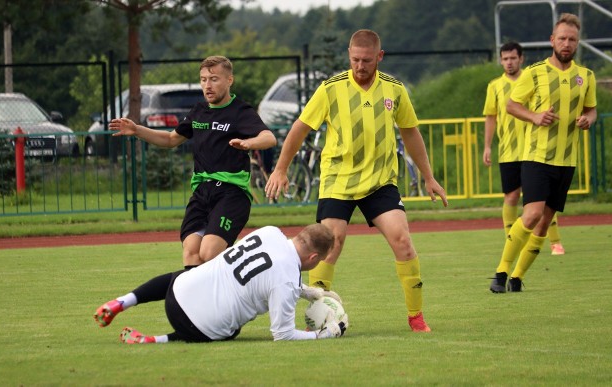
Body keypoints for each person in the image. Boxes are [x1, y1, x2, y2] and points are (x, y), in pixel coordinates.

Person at [264, 29, 448, 332]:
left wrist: (429, 177)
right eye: (354, 60)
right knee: (328, 243)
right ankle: (316, 319)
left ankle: (416, 317)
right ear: (349, 56)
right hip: (339, 180)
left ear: (379, 57)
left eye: (366, 60)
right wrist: (281, 169)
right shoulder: (331, 89)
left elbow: (411, 132)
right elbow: (300, 128)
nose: (360, 66)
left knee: (403, 241)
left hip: (380, 182)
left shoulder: (395, 90)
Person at [109, 56, 277, 269]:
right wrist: (137, 130)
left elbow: (269, 138)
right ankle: (199, 301)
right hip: (201, 193)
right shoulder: (198, 111)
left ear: (229, 80)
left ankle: (250, 270)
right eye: (203, 79)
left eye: (214, 79)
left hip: (231, 194)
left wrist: (248, 142)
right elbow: (171, 139)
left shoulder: (240, 111)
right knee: (191, 253)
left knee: (208, 252)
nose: (208, 85)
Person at [93, 224, 348, 343]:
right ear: (314, 258)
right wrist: (323, 334)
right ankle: (156, 340)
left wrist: (307, 291)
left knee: (180, 277)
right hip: (198, 327)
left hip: (177, 293)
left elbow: (266, 273)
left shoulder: (270, 231)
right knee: (229, 326)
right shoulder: (287, 281)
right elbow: (282, 335)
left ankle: (123, 301)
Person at [489, 13, 597, 293]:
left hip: (567, 159)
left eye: (572, 39)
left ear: (577, 43)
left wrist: (589, 119)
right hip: (536, 157)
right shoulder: (535, 72)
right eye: (562, 38)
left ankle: (516, 278)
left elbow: (591, 109)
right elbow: (512, 105)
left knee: (545, 222)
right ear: (552, 40)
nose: (566, 43)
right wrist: (535, 116)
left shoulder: (586, 77)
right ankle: (500, 273)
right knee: (532, 214)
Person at [482, 42, 565, 255]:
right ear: (500, 60)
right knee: (511, 196)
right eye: (505, 58)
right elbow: (491, 117)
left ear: (521, 59)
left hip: (534, 150)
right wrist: (487, 146)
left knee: (541, 198)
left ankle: (554, 241)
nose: (509, 62)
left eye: (513, 58)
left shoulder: (533, 80)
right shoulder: (495, 86)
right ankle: (512, 239)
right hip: (509, 151)